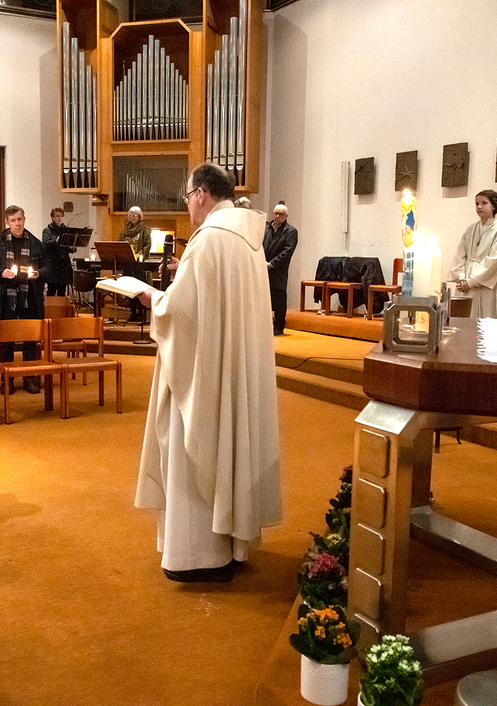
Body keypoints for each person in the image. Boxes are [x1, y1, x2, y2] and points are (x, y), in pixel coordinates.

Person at [134, 163, 282, 583]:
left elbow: (181, 311)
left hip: (205, 370)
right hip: (234, 364)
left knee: (191, 443)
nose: (187, 205)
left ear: (201, 193)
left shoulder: (208, 240)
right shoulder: (250, 239)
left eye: (187, 196)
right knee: (230, 439)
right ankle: (232, 545)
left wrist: (153, 299)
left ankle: (196, 554)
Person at [0, 205, 47, 395]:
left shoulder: (35, 243)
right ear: (7, 222)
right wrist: (1, 273)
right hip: (6, 297)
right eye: (13, 221)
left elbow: (49, 268)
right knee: (7, 341)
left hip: (29, 297)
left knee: (30, 340)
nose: (17, 223)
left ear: (24, 219)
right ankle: (7, 379)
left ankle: (29, 378)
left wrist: (39, 273)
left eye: (19, 219)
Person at [446, 190, 497, 318]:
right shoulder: (471, 229)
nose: (479, 206)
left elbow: (494, 261)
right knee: (462, 318)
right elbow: (460, 255)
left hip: (482, 283)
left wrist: (471, 282)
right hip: (464, 281)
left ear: (493, 206)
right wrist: (461, 277)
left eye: (484, 203)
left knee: (481, 319)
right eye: (477, 204)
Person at [263, 203, 298, 335]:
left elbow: (287, 252)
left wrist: (271, 264)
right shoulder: (266, 228)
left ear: (286, 216)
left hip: (278, 271)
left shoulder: (291, 232)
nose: (277, 216)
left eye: (281, 214)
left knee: (279, 299)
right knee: (265, 299)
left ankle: (278, 326)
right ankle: (265, 326)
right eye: (276, 213)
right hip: (263, 269)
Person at [121, 206, 152, 322]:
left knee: (139, 290)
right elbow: (120, 243)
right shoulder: (124, 231)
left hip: (139, 264)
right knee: (129, 289)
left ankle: (141, 313)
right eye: (129, 215)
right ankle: (133, 313)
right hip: (127, 263)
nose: (131, 217)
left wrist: (139, 254)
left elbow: (147, 245)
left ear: (139, 216)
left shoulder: (145, 230)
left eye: (134, 215)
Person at [41, 207, 75, 297]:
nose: (59, 218)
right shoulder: (47, 230)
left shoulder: (67, 230)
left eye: (61, 216)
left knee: (62, 291)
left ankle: (61, 306)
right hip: (53, 265)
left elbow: (72, 250)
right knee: (51, 290)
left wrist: (73, 247)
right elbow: (45, 243)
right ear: (52, 217)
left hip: (64, 265)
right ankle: (50, 306)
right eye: (57, 216)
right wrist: (57, 240)